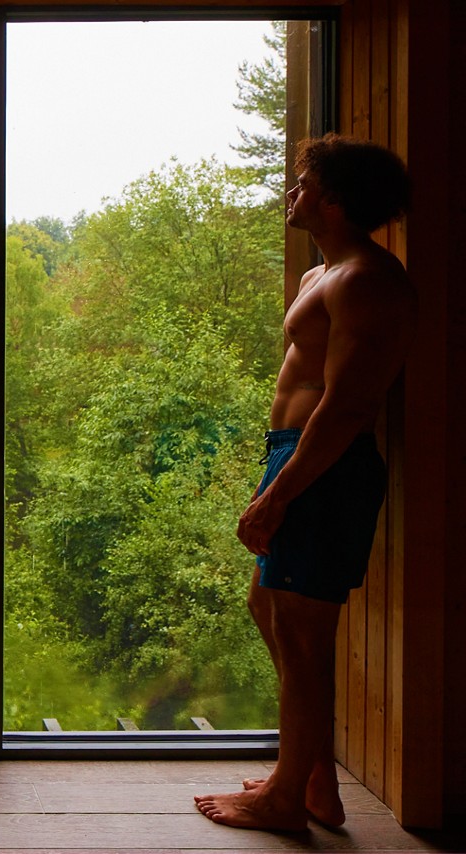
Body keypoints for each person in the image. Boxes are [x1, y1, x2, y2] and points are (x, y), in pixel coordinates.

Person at [194, 134, 415, 832]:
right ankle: (313, 775)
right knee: (270, 609)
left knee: (303, 635)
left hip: (327, 465)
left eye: (302, 183)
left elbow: (347, 407)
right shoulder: (323, 275)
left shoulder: (368, 280)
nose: (291, 194)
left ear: (335, 199)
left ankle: (288, 800)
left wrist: (279, 494)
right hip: (294, 454)